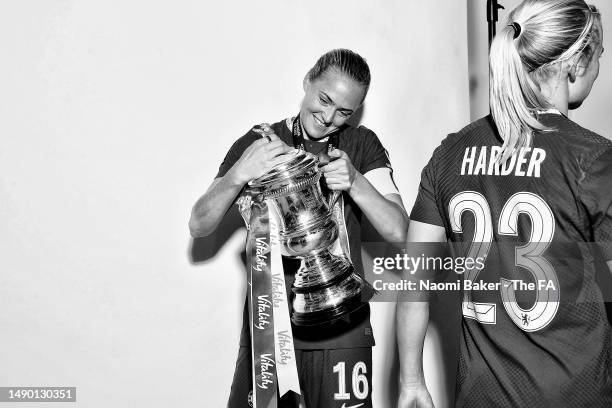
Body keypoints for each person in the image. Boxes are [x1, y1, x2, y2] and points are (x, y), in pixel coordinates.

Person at [397, 1, 611, 407]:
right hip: (574, 396)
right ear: (575, 64)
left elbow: (414, 281)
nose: (600, 67)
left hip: (480, 396)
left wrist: (410, 381)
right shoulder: (594, 160)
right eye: (599, 55)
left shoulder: (450, 152)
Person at [189, 48, 408, 408]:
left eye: (344, 112)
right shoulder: (260, 141)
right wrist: (239, 175)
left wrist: (356, 182)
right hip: (270, 327)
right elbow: (199, 224)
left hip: (341, 328)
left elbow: (399, 230)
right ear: (308, 80)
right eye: (324, 99)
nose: (328, 117)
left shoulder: (361, 144)